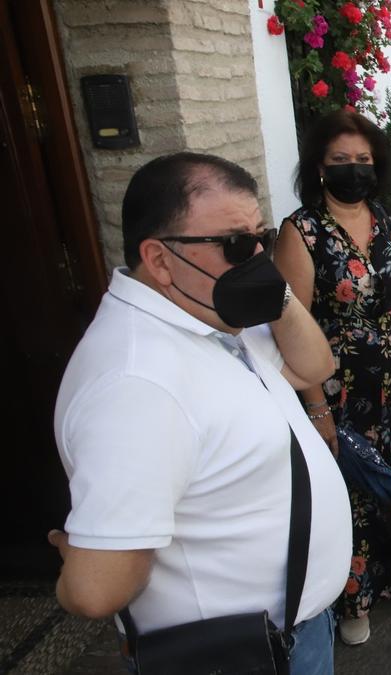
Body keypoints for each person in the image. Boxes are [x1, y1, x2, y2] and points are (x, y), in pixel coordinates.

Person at [52, 152, 350, 673]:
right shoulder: (136, 382)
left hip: (288, 636)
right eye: (237, 244)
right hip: (234, 656)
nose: (258, 256)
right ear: (161, 260)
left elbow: (312, 366)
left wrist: (268, 287)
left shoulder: (206, 312)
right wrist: (81, 556)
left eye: (263, 238)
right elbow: (95, 590)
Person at [274, 110, 391, 646]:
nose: (355, 170)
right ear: (320, 169)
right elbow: (290, 327)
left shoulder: (384, 217)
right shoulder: (300, 230)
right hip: (336, 385)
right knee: (347, 489)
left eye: (364, 161)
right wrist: (316, 407)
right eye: (341, 161)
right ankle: (355, 596)